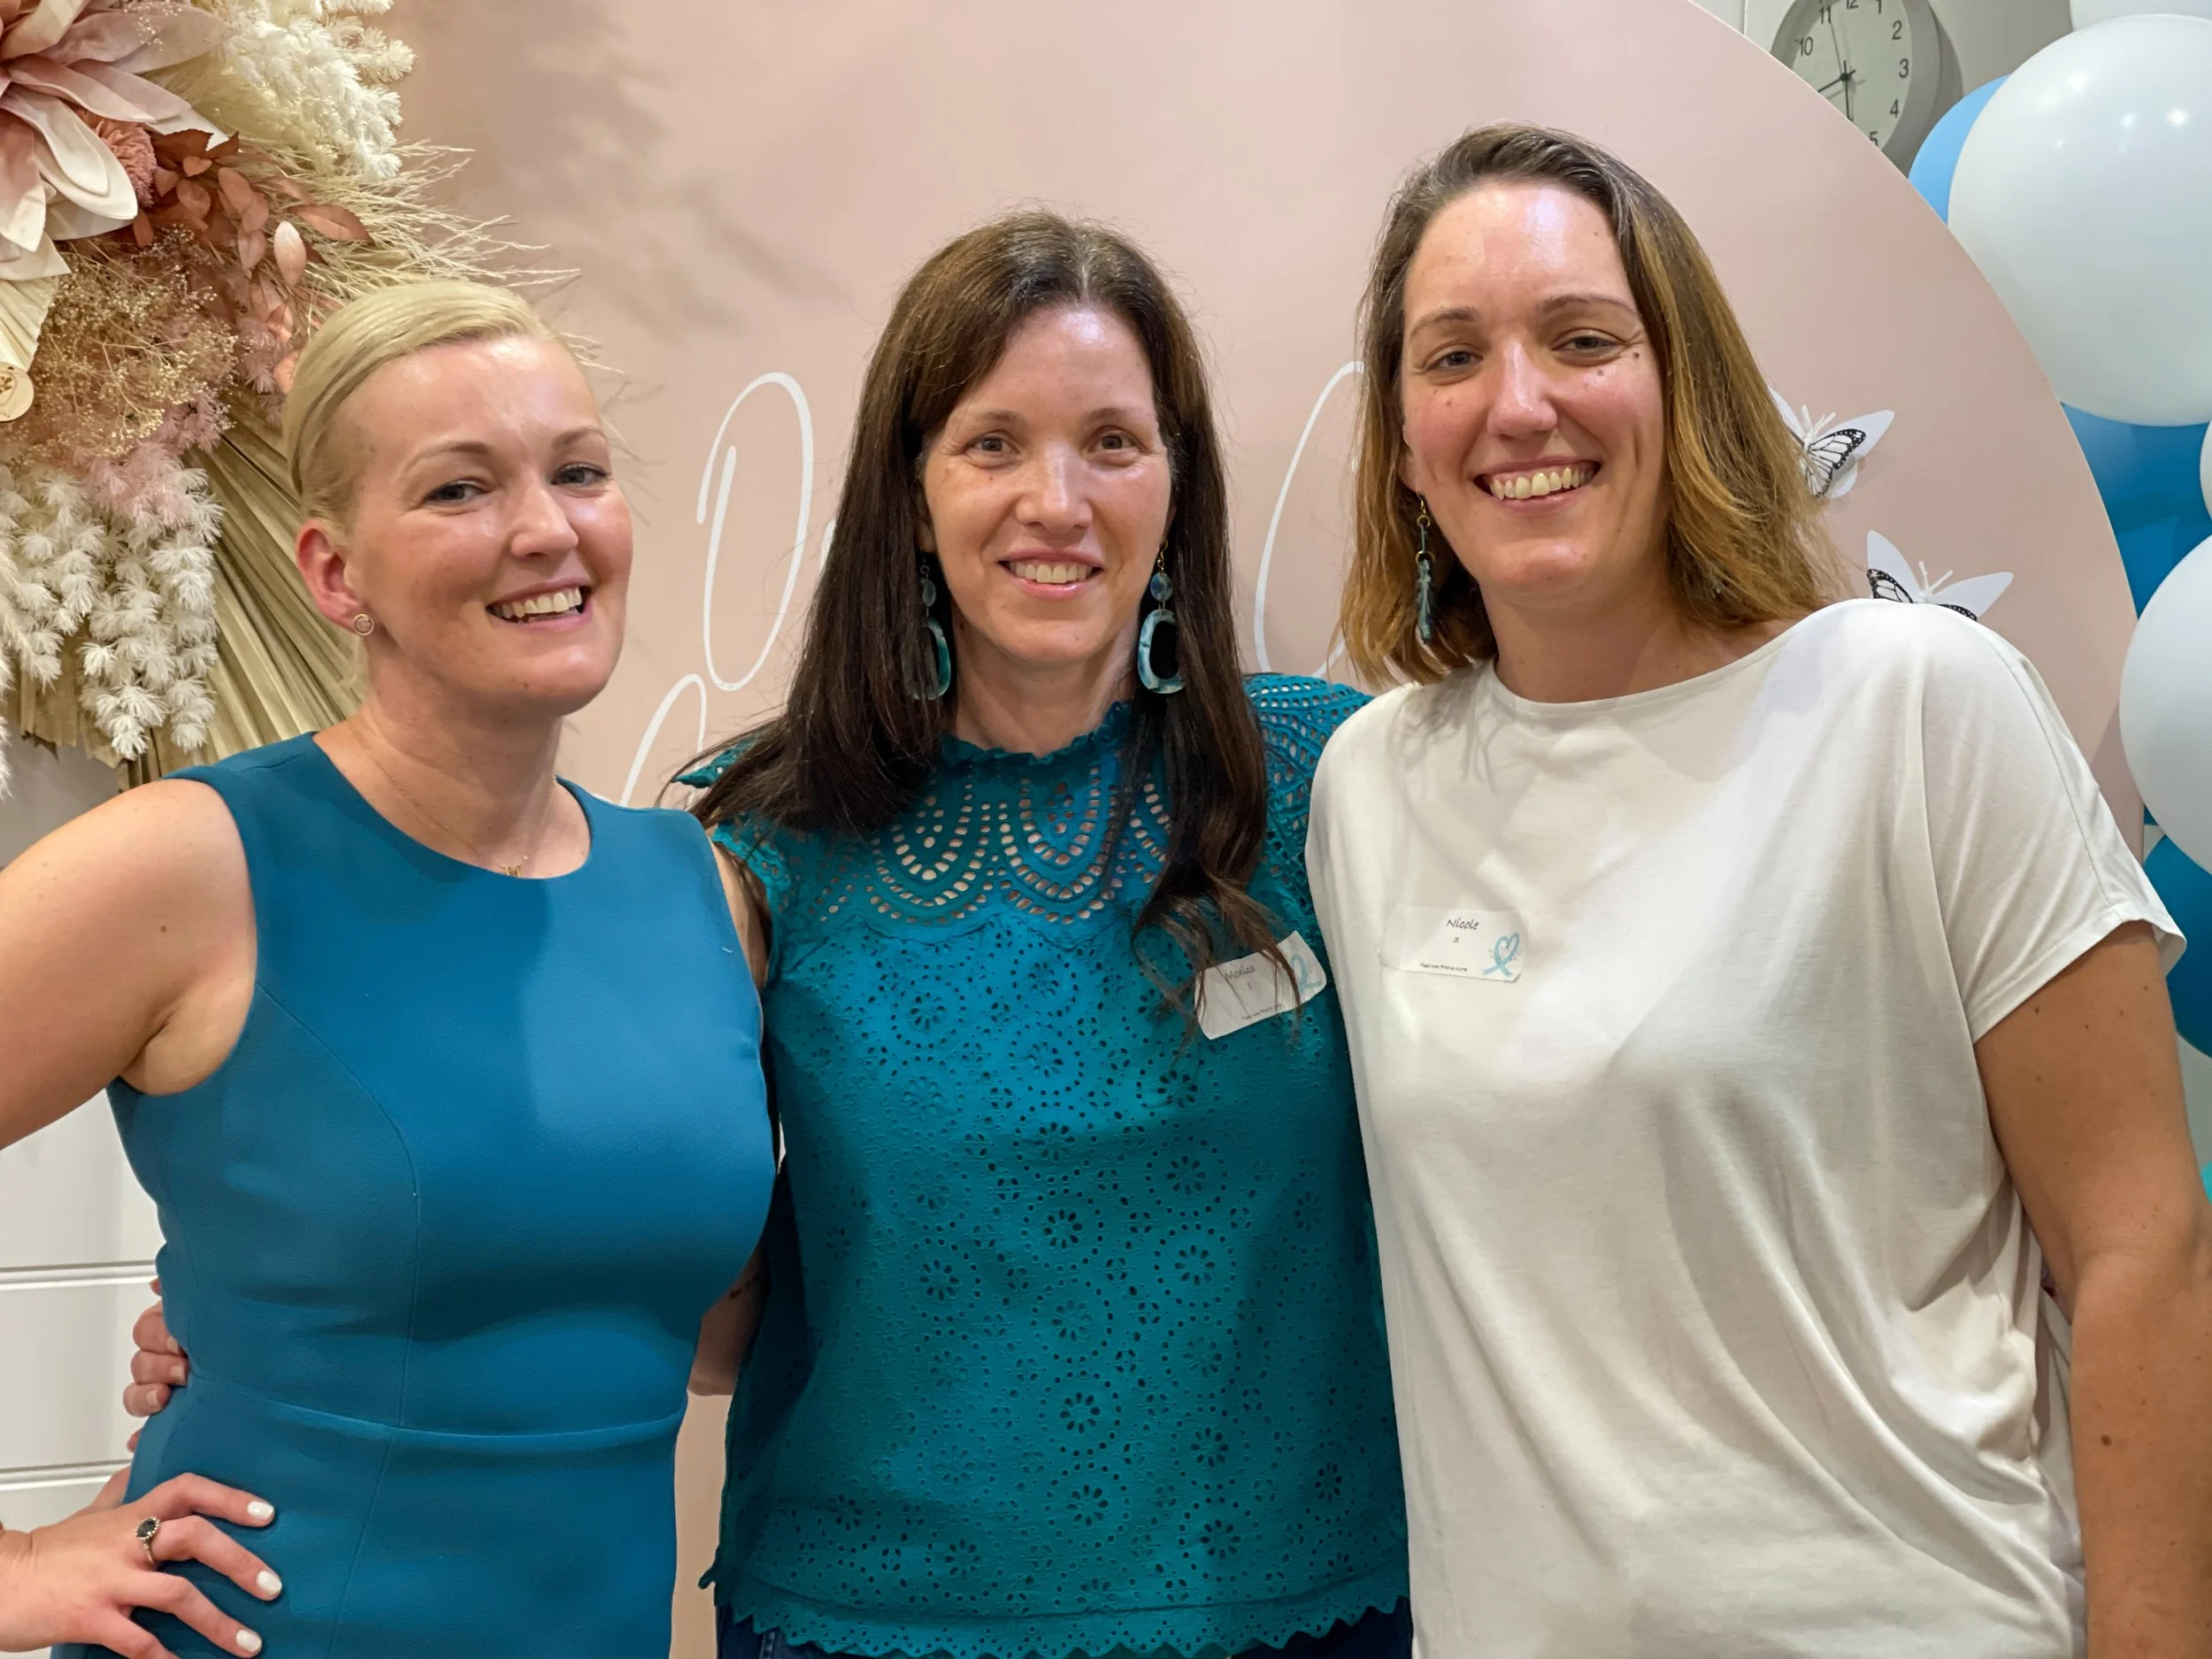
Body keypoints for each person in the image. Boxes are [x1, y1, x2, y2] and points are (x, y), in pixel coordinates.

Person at [1309, 123, 2212, 1657]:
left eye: (1582, 339)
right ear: (1403, 444)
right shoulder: (1371, 785)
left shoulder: (1918, 705)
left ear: (1684, 382)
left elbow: (2140, 1247)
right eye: (1451, 357)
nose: (1518, 402)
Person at [0, 280, 775, 1659]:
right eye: (459, 489)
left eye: (578, 471)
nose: (545, 529)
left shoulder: (703, 888)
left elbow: (712, 1334)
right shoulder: (195, 865)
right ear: (333, 572)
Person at [678, 211, 1409, 1659]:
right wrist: (272, 1308)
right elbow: (679, 1299)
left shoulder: (1332, 780)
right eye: (993, 443)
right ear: (911, 489)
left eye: (1112, 443)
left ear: (1178, 482)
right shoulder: (758, 839)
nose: (1055, 500)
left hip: (1299, 1609)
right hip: (872, 1620)